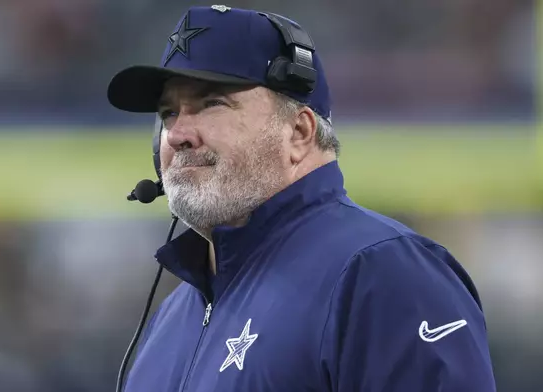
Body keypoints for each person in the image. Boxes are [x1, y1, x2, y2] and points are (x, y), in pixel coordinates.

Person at [107, 5, 497, 392]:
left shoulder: (382, 275)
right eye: (168, 112)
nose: (176, 134)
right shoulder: (172, 316)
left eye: (212, 103)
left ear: (299, 132)